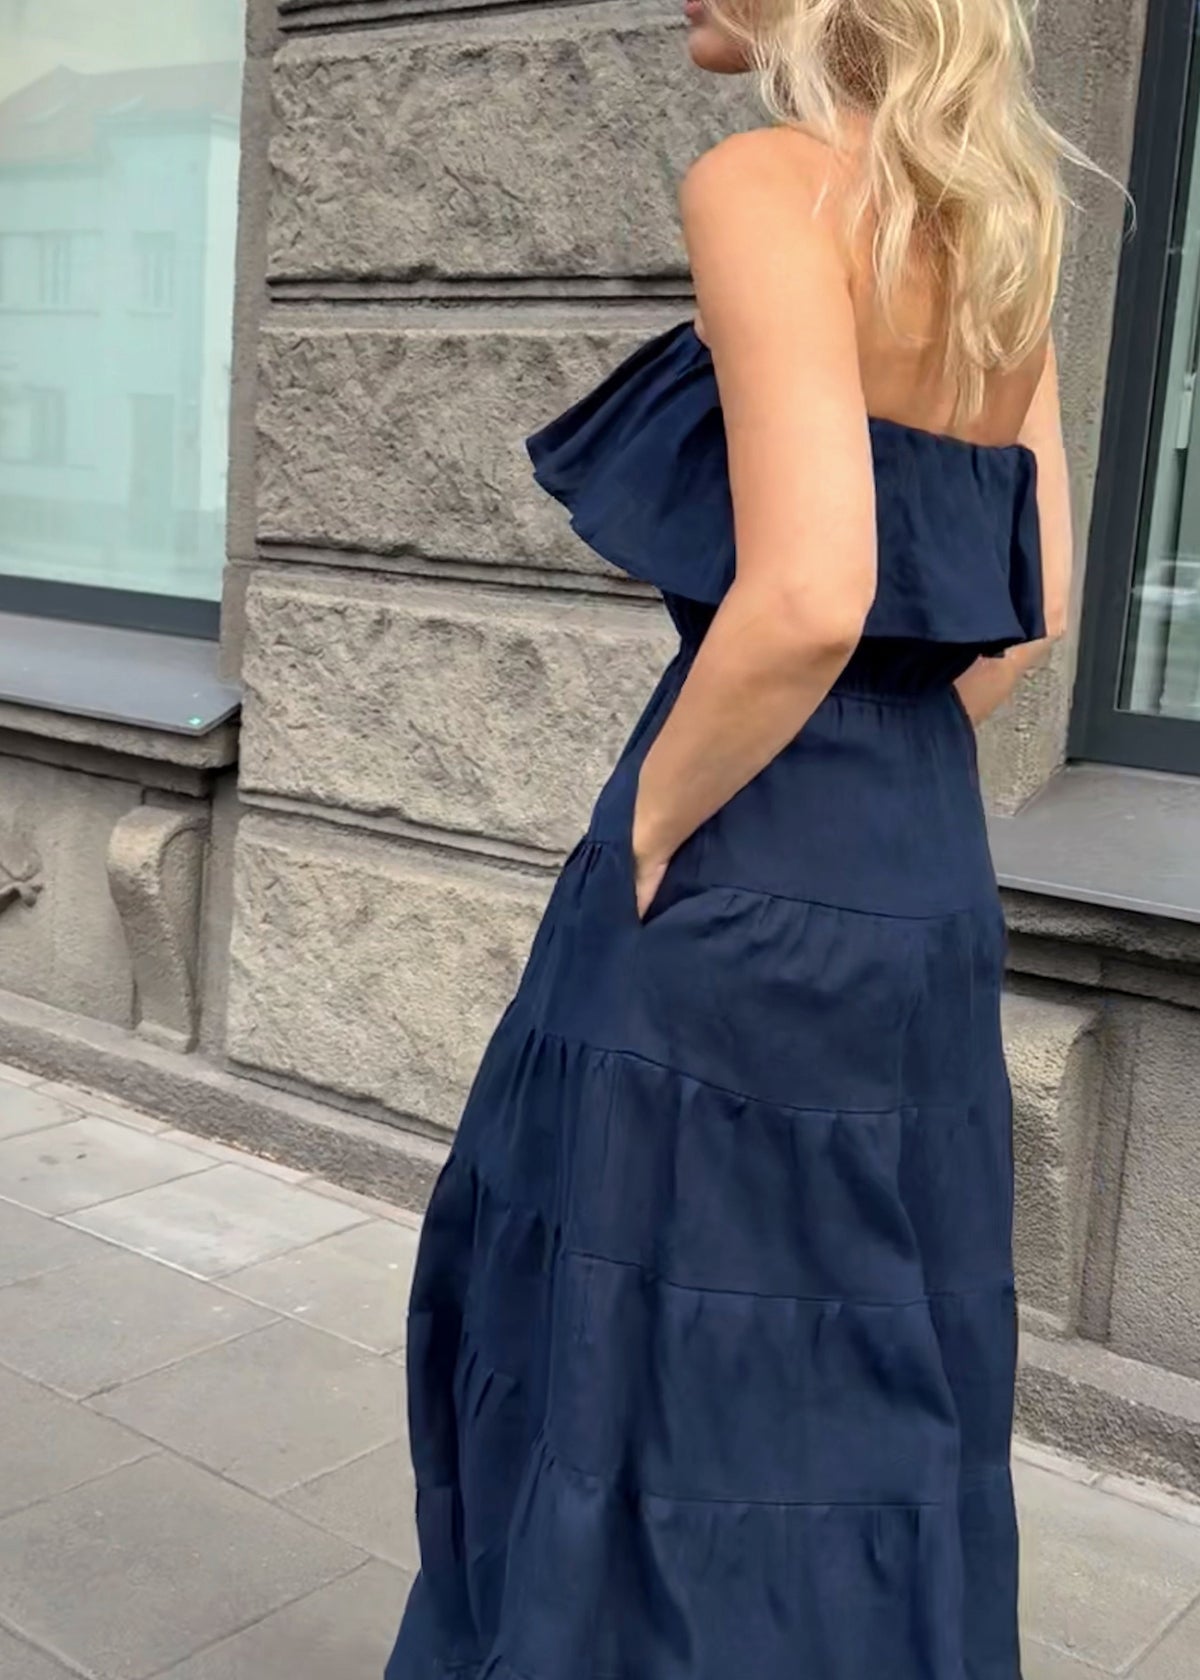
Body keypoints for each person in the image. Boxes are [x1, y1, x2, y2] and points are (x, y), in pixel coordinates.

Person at [386, 1, 1079, 1675]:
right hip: (920, 876)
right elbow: (1029, 615)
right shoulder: (999, 222)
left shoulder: (766, 183)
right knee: (859, 1387)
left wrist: (648, 825)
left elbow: (812, 593)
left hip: (738, 881)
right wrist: (880, 763)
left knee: (632, 1369)